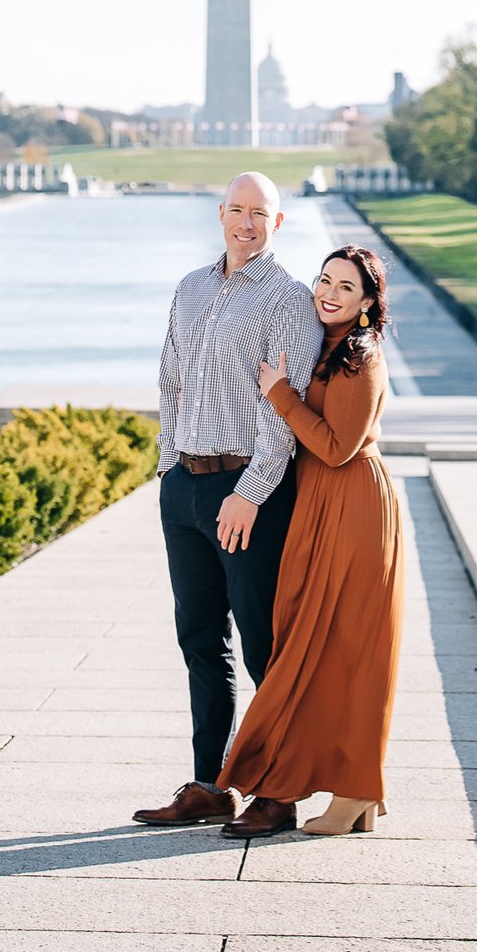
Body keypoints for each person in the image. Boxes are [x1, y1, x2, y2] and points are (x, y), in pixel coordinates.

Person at [130, 172, 324, 829]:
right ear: (220, 214)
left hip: (247, 493)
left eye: (259, 212)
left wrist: (248, 492)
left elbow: (285, 410)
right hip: (184, 486)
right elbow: (169, 379)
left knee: (263, 645)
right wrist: (168, 469)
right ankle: (210, 785)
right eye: (237, 209)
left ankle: (281, 791)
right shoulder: (191, 286)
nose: (246, 221)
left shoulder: (289, 299)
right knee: (198, 640)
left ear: (278, 221)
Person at [216, 246, 406, 838]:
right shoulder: (329, 345)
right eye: (324, 280)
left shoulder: (360, 354)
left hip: (352, 507)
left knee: (349, 651)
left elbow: (335, 446)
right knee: (328, 649)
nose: (328, 293)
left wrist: (280, 394)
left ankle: (355, 791)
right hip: (320, 505)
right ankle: (355, 794)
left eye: (346, 288)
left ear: (369, 303)